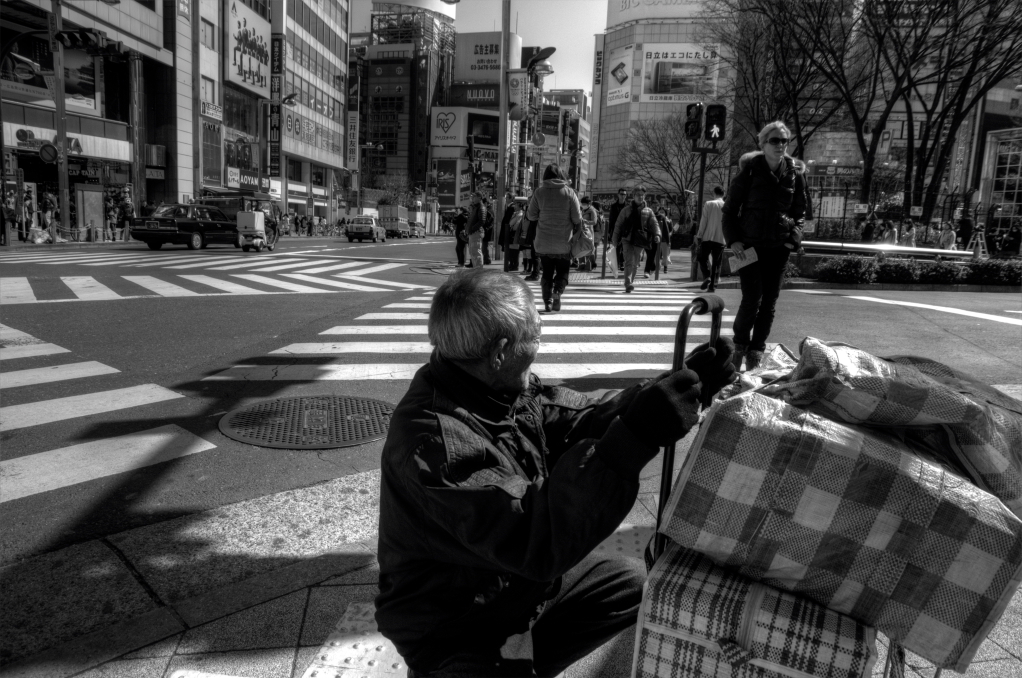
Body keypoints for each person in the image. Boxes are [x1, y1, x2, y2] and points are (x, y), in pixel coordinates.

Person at [374, 268, 738, 678]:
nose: (538, 348)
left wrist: (667, 391)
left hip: (507, 586)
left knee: (629, 583)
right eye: (535, 338)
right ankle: (475, 664)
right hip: (454, 620)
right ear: (500, 351)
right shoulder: (435, 443)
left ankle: (520, 655)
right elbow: (536, 536)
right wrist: (634, 438)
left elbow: (575, 417)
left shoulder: (489, 386)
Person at [722, 120, 806, 372]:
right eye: (775, 140)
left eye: (784, 141)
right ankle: (739, 346)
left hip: (779, 247)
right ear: (763, 143)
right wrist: (734, 239)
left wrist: (795, 235)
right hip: (748, 246)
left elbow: (800, 211)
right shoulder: (748, 171)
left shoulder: (795, 174)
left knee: (769, 302)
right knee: (752, 298)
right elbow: (729, 210)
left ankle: (756, 351)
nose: (780, 145)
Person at [526, 165, 582, 312]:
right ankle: (557, 293)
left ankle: (547, 301)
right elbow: (577, 218)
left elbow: (530, 215)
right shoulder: (570, 193)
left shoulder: (539, 193)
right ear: (561, 176)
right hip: (564, 241)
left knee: (547, 272)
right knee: (563, 270)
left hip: (543, 241)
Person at [612, 185, 660, 293]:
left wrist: (657, 234)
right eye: (638, 195)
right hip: (627, 239)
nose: (640, 197)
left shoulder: (648, 211)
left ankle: (630, 282)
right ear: (633, 196)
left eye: (642, 195)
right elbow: (618, 225)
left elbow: (655, 224)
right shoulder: (626, 210)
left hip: (640, 240)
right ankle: (628, 283)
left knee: (635, 263)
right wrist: (614, 238)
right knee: (629, 261)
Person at [696, 186, 726, 291]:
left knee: (702, 258)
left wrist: (699, 235)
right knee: (717, 263)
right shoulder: (727, 205)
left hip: (707, 237)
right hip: (721, 238)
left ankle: (707, 276)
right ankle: (713, 286)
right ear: (724, 194)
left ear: (714, 193)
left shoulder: (709, 204)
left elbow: (704, 221)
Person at [609, 188, 628, 272]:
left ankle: (622, 263)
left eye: (624, 194)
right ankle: (616, 265)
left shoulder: (628, 206)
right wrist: (610, 231)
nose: (623, 196)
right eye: (621, 194)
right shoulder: (613, 206)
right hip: (616, 230)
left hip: (625, 231)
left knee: (625, 248)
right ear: (618, 195)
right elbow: (611, 219)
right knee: (616, 248)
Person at [466, 192, 487, 268]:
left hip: (476, 232)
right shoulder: (476, 207)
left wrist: (472, 228)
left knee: (476, 252)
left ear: (479, 197)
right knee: (472, 252)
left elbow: (482, 221)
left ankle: (479, 270)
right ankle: (476, 268)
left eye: (474, 197)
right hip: (473, 232)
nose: (472, 198)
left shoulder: (481, 207)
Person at [580, 196, 600, 271]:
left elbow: (594, 222)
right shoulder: (582, 210)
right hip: (582, 232)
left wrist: (585, 222)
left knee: (590, 248)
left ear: (589, 204)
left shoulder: (592, 211)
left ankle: (592, 264)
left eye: (584, 204)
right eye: (582, 204)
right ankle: (582, 264)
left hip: (589, 232)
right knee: (582, 247)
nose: (583, 205)